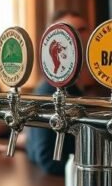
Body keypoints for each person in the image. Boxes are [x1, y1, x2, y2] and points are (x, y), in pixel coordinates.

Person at [26, 11, 95, 175]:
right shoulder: (50, 90)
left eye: (83, 30)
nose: (79, 37)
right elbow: (47, 158)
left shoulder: (79, 87)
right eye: (70, 31)